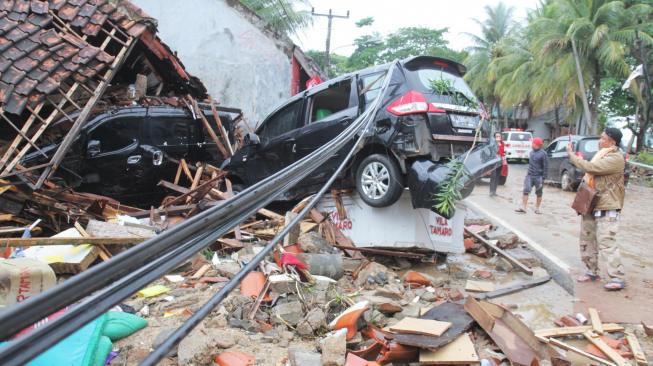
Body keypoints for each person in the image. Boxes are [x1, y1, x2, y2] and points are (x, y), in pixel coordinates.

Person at [566, 128, 626, 291]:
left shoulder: (615, 158)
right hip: (591, 202)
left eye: (603, 138)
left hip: (607, 204)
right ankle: (591, 271)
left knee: (607, 241)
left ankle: (617, 277)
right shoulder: (602, 155)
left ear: (612, 142)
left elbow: (591, 168)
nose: (600, 141)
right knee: (587, 238)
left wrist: (572, 155)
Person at [515, 137, 547, 214]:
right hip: (529, 175)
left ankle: (537, 208)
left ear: (537, 145)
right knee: (526, 190)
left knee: (539, 193)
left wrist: (544, 177)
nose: (531, 144)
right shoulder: (531, 152)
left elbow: (546, 166)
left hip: (538, 176)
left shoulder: (543, 154)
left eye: (533, 143)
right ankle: (524, 207)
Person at [490, 132, 505, 196]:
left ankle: (494, 191)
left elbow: (502, 152)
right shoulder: (493, 144)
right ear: (494, 137)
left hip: (500, 161)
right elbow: (493, 152)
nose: (498, 137)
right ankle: (491, 191)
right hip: (494, 161)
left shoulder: (502, 143)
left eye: (499, 136)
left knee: (497, 177)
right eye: (497, 136)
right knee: (493, 176)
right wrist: (496, 144)